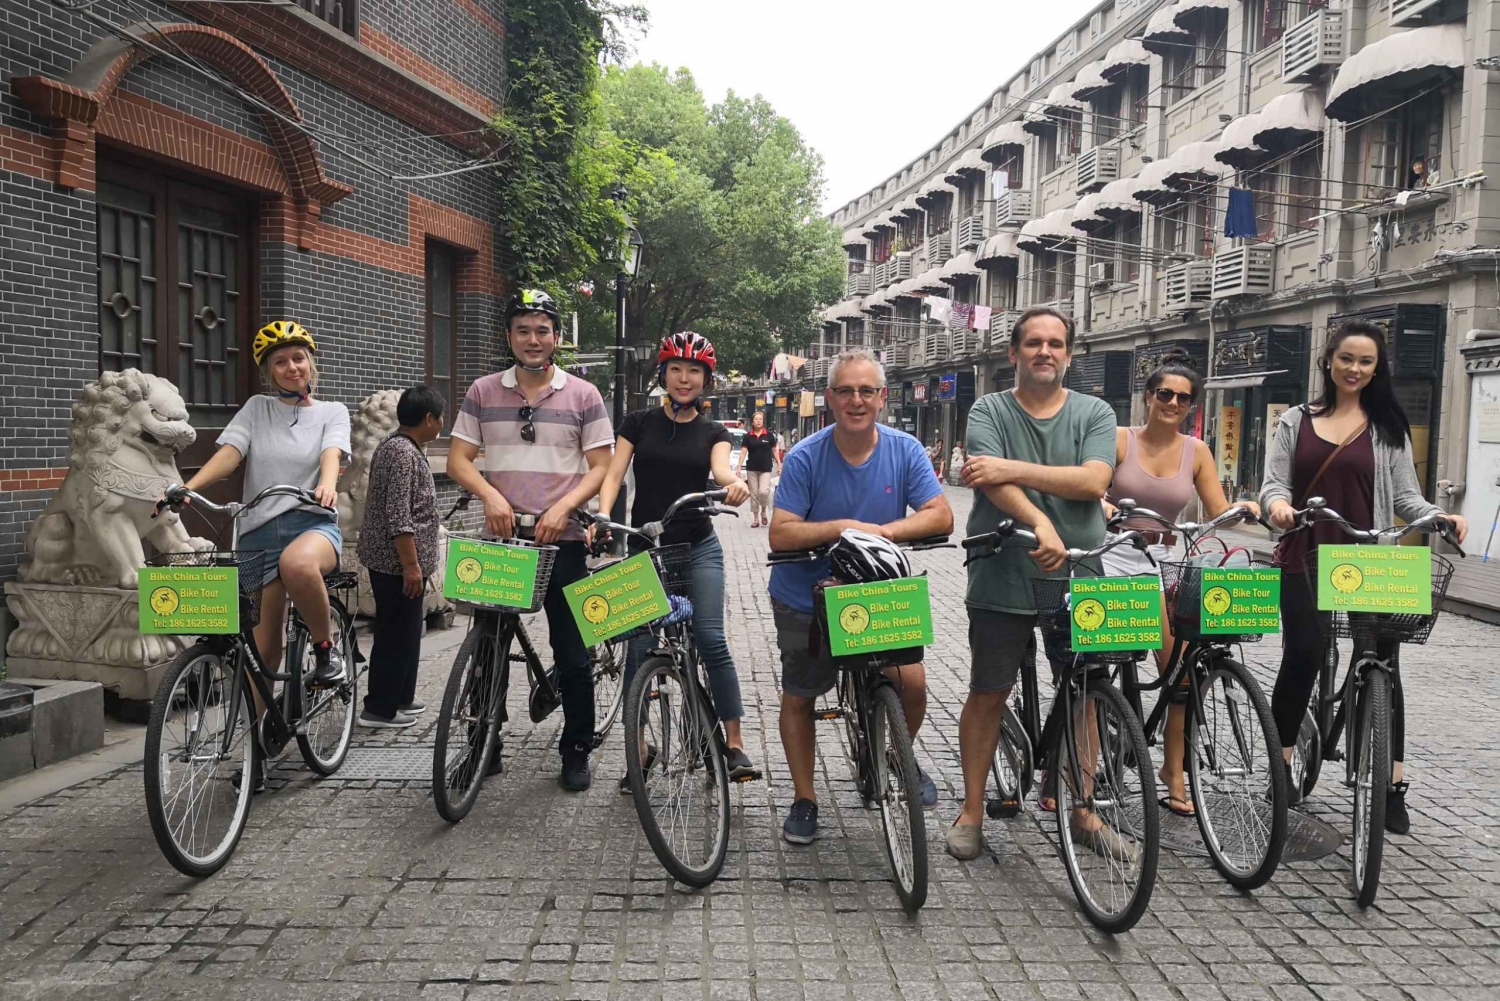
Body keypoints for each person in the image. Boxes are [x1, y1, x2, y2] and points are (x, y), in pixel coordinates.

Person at [1261, 320, 1467, 832]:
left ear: (1377, 369)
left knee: (1383, 663)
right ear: (1328, 360)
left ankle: (1393, 783)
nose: (1355, 369)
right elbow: (1271, 486)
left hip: (1368, 558)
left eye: (1366, 361)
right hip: (1304, 553)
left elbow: (1404, 498)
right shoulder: (1295, 421)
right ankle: (1281, 762)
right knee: (1304, 653)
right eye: (1347, 358)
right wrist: (1280, 507)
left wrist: (1437, 514)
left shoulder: (1385, 427)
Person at [947, 306, 1118, 861]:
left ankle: (1084, 807)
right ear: (1014, 352)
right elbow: (985, 480)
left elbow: (1094, 480)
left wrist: (1011, 467)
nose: (1045, 351)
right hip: (1005, 567)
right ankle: (972, 810)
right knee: (989, 690)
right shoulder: (989, 408)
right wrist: (1041, 520)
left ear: (1069, 354)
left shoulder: (1094, 411)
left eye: (1056, 344)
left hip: (1080, 569)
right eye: (1034, 343)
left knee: (1088, 693)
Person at [768, 348, 954, 844]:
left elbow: (940, 515)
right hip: (807, 594)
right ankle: (805, 798)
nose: (856, 400)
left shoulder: (905, 448)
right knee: (801, 694)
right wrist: (845, 529)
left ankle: (894, 757)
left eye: (866, 391)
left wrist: (883, 534)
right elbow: (780, 534)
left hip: (877, 592)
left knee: (911, 683)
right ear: (829, 399)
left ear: (882, 398)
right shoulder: (807, 456)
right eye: (846, 391)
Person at [447, 289, 614, 791]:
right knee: (487, 650)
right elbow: (458, 460)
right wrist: (490, 497)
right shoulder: (482, 391)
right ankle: (484, 746)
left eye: (542, 330)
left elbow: (601, 465)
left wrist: (564, 507)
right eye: (523, 330)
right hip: (502, 540)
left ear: (557, 338)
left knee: (572, 650)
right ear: (509, 337)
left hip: (561, 538)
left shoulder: (583, 395)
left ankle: (577, 749)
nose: (533, 339)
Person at [1101, 350, 1259, 817]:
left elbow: (1217, 508)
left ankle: (1174, 771)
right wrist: (1105, 508)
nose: (1172, 402)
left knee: (1182, 675)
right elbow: (1090, 488)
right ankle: (1072, 768)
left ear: (1192, 406)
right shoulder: (1118, 440)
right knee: (1092, 668)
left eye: (1183, 398)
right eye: (1164, 394)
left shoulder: (1198, 451)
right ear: (1148, 397)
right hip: (1112, 559)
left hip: (1165, 562)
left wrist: (1249, 510)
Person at [596, 331, 757, 788]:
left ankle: (734, 744)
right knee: (640, 649)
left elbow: (723, 469)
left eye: (694, 371)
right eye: (676, 369)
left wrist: (734, 484)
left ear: (706, 379)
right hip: (645, 548)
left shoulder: (714, 432)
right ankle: (640, 751)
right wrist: (605, 515)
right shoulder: (637, 422)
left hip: (697, 547)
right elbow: (614, 474)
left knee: (710, 639)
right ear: (663, 374)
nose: (684, 378)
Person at [357, 386, 445, 728]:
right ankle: (379, 708)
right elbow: (399, 515)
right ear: (428, 418)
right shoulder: (402, 453)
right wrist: (410, 565)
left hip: (404, 564)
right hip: (395, 565)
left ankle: (401, 698)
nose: (442, 424)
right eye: (440, 418)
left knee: (409, 631)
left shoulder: (403, 447)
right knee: (395, 634)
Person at [742, 410, 780, 528]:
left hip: (766, 468)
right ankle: (756, 518)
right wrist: (739, 467)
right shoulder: (748, 436)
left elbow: (774, 450)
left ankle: (763, 510)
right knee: (753, 493)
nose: (758, 421)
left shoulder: (769, 435)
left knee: (763, 492)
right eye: (756, 419)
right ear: (752, 422)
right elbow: (743, 452)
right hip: (752, 468)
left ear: (763, 421)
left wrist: (779, 464)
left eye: (760, 419)